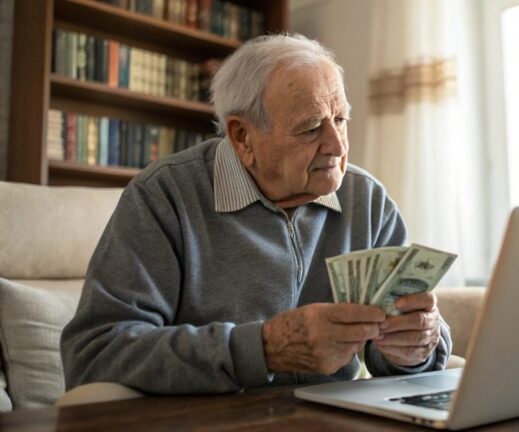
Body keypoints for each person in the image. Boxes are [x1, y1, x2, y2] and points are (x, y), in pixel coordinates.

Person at [61, 34, 452, 394]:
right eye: (312, 128)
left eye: (340, 119)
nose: (336, 145)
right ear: (242, 137)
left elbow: (402, 343)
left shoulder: (366, 200)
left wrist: (417, 346)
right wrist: (262, 349)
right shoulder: (164, 197)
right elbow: (96, 353)